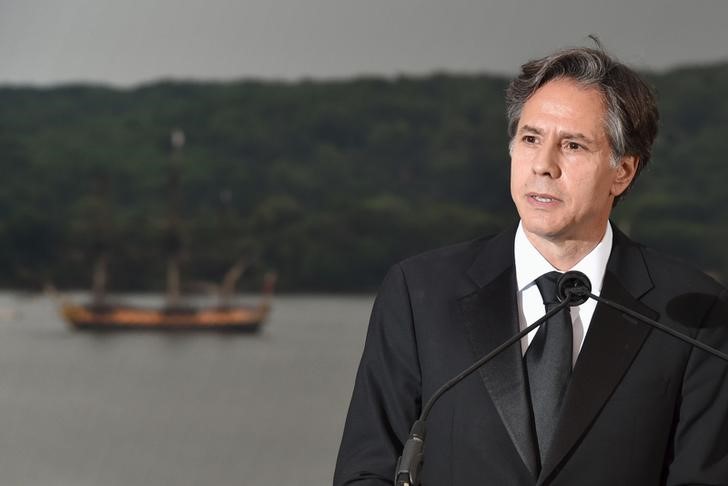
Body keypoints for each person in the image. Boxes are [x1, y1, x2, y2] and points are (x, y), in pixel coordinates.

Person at [334, 44, 728, 485]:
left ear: (623, 171)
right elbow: (365, 471)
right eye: (530, 138)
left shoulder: (696, 314)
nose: (543, 165)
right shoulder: (418, 292)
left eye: (573, 145)